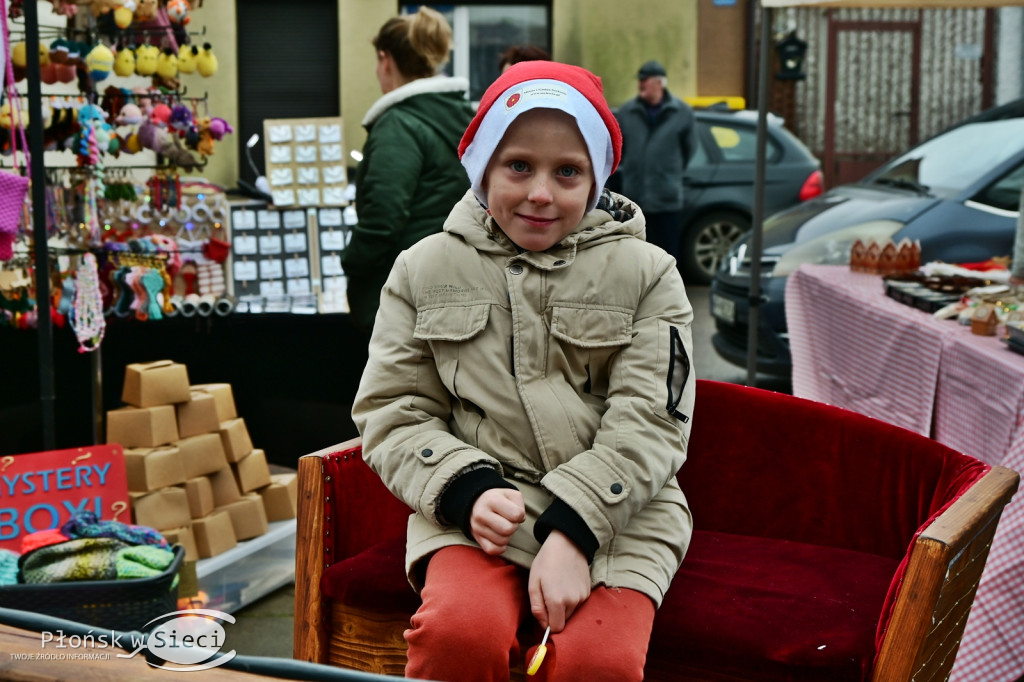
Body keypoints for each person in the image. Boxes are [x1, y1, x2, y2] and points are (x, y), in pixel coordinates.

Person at [351, 60, 695, 682]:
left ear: (596, 179)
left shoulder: (649, 274)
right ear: (482, 166)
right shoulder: (422, 270)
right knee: (458, 635)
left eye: (567, 171)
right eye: (518, 166)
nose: (541, 192)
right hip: (478, 510)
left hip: (622, 516)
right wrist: (465, 491)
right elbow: (393, 409)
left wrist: (576, 529)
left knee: (599, 662)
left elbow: (653, 421)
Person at [342, 7, 475, 336]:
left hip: (403, 295)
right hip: (458, 286)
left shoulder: (398, 126)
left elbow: (383, 217)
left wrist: (351, 262)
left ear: (385, 60)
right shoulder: (464, 118)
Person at [613, 59, 698, 260]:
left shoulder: (682, 113)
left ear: (660, 83)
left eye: (645, 80)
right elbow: (620, 149)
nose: (641, 84)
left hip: (665, 199)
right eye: (640, 80)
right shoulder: (627, 112)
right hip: (635, 199)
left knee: (665, 254)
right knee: (636, 255)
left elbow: (689, 150)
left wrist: (668, 173)